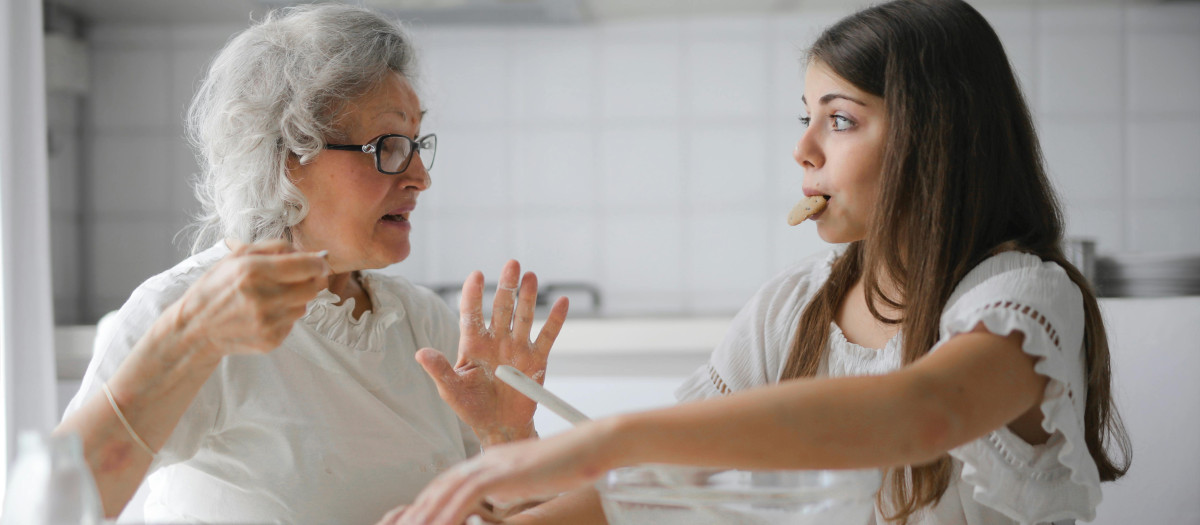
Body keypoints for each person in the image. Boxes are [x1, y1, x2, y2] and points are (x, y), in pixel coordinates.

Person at [387, 1, 1132, 524]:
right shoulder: (793, 305)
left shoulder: (1023, 299)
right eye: (806, 118)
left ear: (937, 138)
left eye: (841, 120)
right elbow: (645, 490)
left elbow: (921, 413)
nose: (803, 149)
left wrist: (614, 435)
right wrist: (492, 477)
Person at [57, 4, 567, 523]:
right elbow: (55, 506)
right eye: (389, 145)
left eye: (417, 144)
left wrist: (507, 437)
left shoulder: (424, 324)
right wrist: (187, 338)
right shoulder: (184, 311)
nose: (420, 176)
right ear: (285, 157)